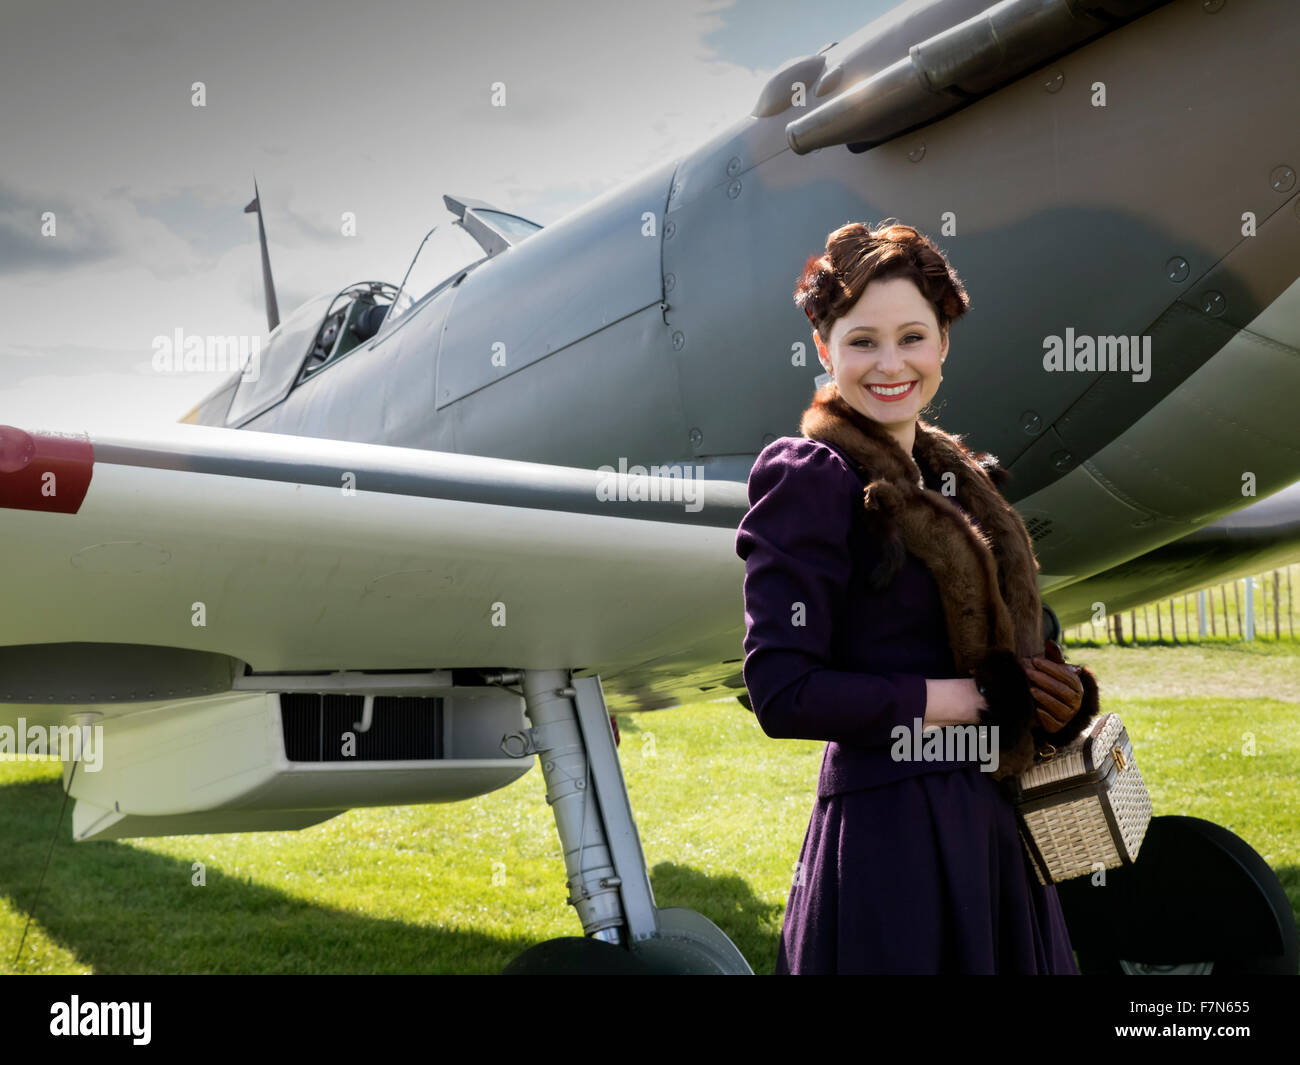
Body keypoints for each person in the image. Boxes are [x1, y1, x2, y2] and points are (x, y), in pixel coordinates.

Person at [735, 219, 1100, 974]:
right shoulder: (810, 477)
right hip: (891, 840)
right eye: (862, 341)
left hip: (997, 829)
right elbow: (783, 691)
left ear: (943, 344)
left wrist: (1058, 694)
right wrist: (970, 700)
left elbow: (1009, 648)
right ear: (824, 349)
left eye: (912, 337)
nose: (890, 363)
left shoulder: (960, 480)